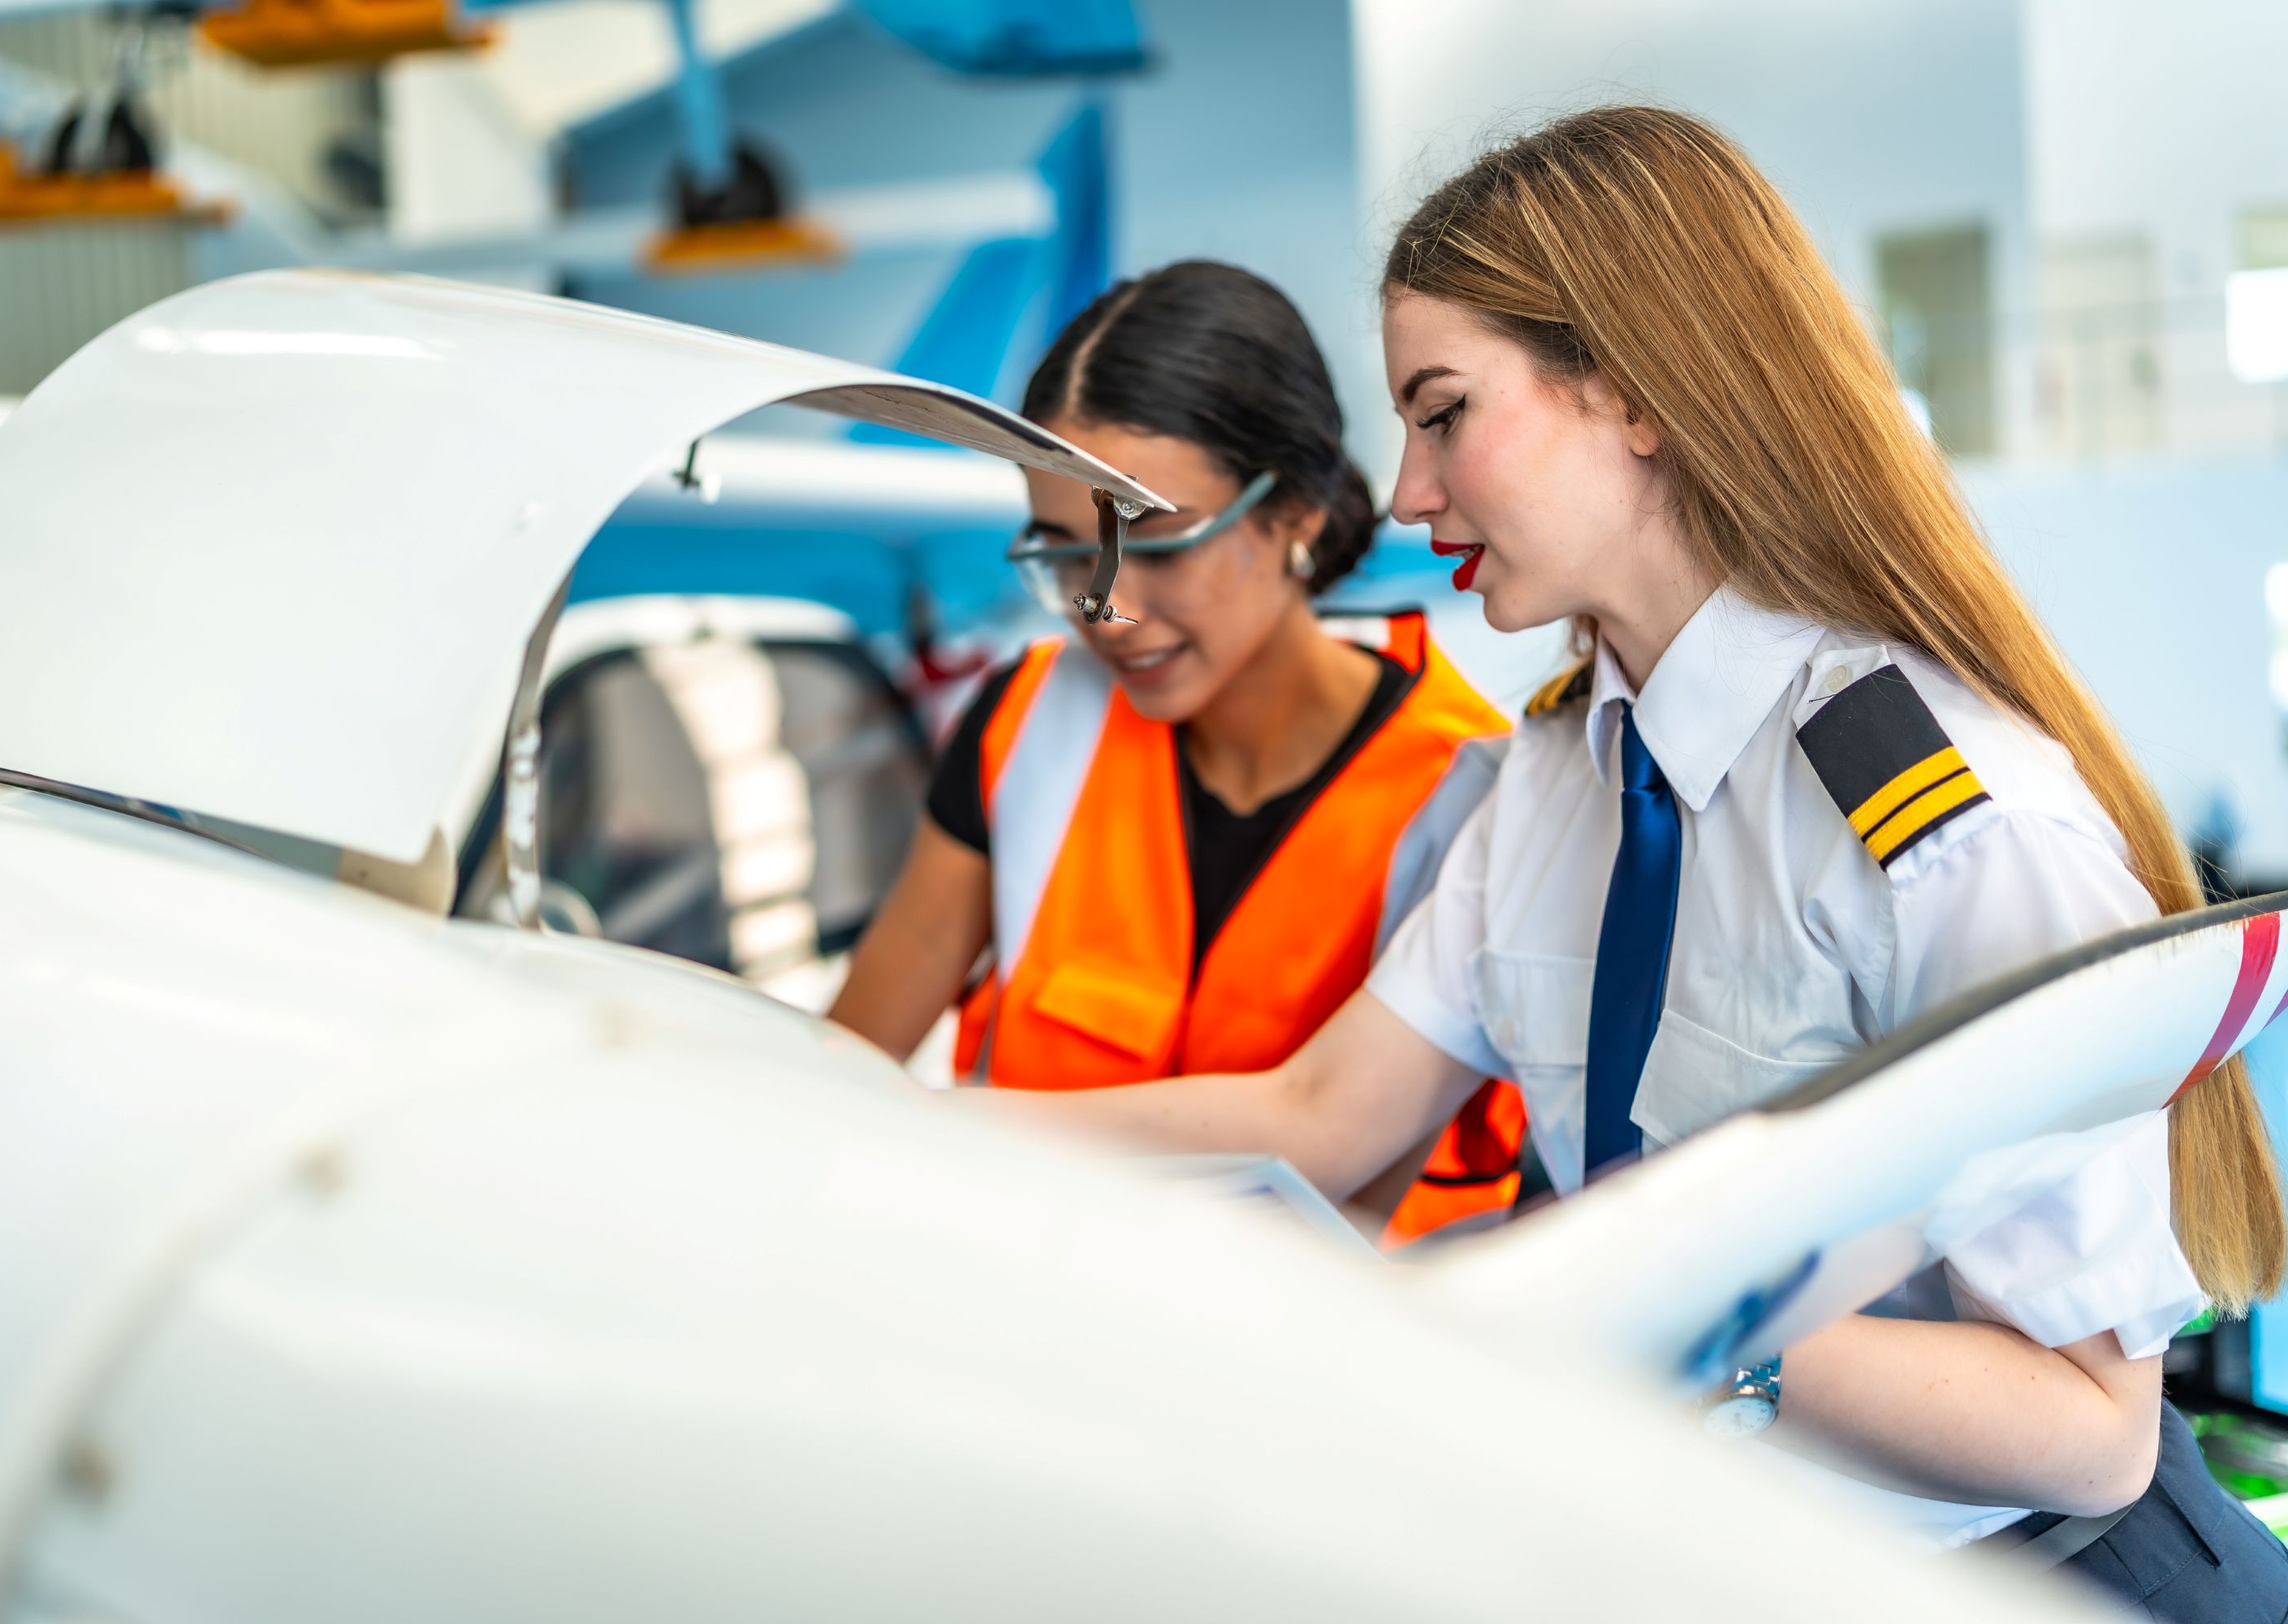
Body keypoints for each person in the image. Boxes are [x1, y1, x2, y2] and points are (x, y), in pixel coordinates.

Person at [1008, 110, 2288, 1616]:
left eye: (1442, 414)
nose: (1409, 497)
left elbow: (2090, 1436)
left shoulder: (1944, 821)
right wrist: (902, 1138)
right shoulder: (1559, 779)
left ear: (1632, 393)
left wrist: (1664, 1321)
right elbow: (1323, 1113)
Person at [829, 260, 1525, 1240]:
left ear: (1297, 512)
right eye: (1063, 550)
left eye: (1154, 542)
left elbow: (1337, 1145)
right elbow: (844, 1062)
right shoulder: (1024, 722)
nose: (1104, 605)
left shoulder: (1476, 794)